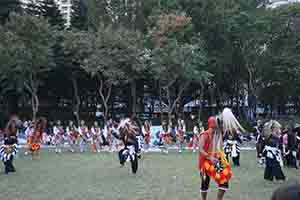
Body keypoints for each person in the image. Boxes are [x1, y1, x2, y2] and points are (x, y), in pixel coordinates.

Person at [199, 108, 243, 200]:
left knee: (224, 180)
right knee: (205, 182)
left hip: (216, 159)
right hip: (205, 162)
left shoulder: (218, 133)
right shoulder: (204, 135)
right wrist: (210, 157)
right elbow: (200, 149)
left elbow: (221, 122)